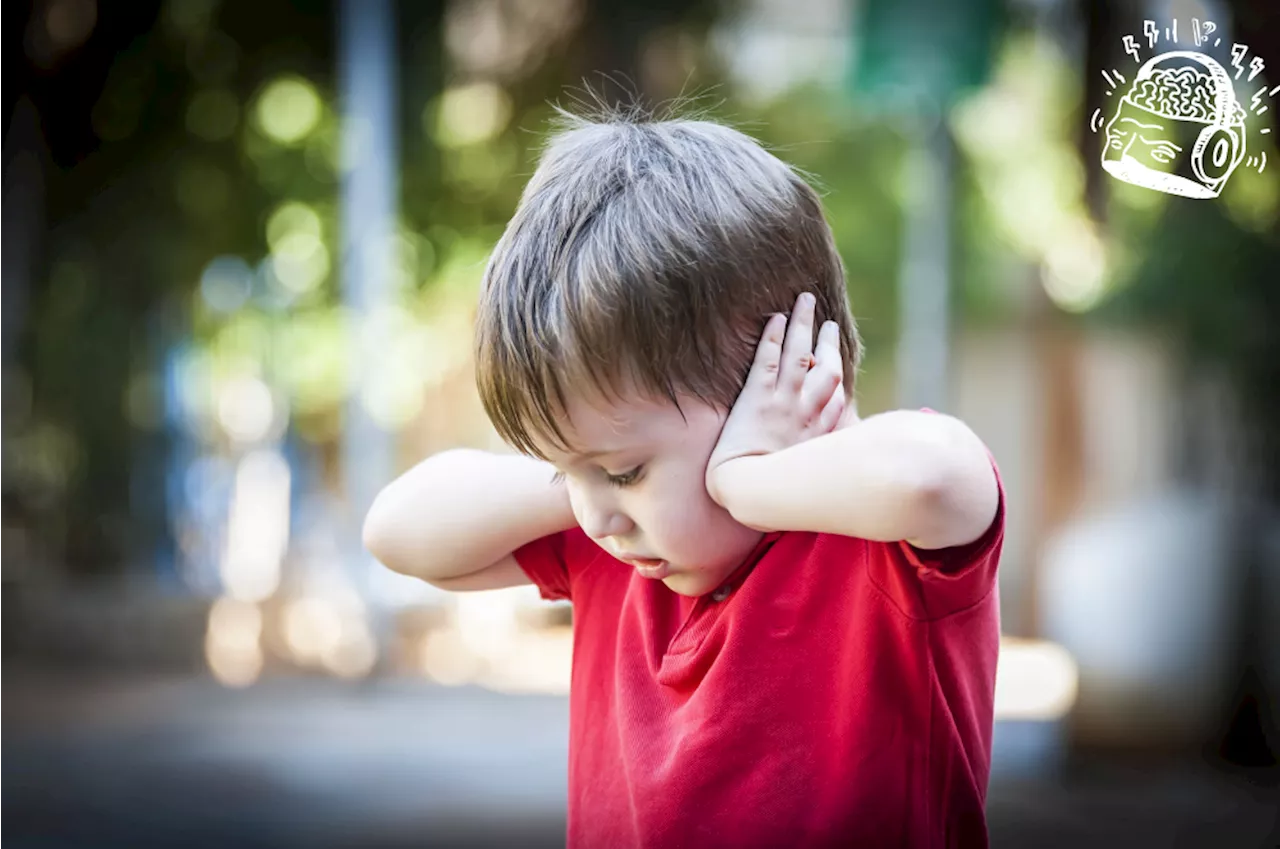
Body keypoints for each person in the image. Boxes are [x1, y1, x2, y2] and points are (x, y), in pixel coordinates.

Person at [363, 100, 1005, 849]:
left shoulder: (882, 550)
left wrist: (745, 478)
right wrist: (589, 470)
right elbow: (397, 529)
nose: (599, 512)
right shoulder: (612, 542)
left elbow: (938, 476)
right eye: (573, 470)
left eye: (628, 469)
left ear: (783, 376)